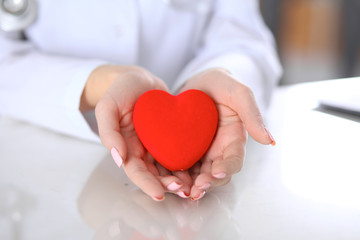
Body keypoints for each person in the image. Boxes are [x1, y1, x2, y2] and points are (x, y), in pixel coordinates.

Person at [0, 0, 282, 201]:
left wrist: (221, 75)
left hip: (202, 132)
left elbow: (243, 39)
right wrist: (102, 83)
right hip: (34, 165)